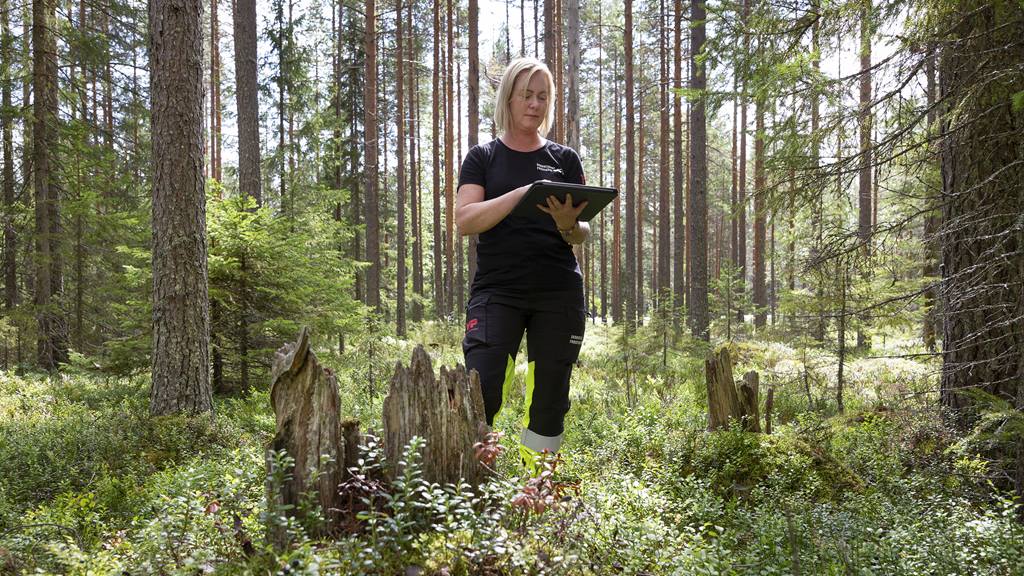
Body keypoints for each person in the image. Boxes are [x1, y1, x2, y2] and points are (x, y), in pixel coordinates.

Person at [455, 57, 589, 472]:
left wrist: (570, 225)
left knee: (550, 396)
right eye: (526, 95)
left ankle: (540, 487)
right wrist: (523, 194)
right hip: (498, 292)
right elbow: (465, 220)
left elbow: (581, 232)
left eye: (543, 96)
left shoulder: (564, 159)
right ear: (508, 99)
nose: (535, 104)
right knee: (484, 387)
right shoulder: (483, 158)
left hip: (558, 293)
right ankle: (474, 480)